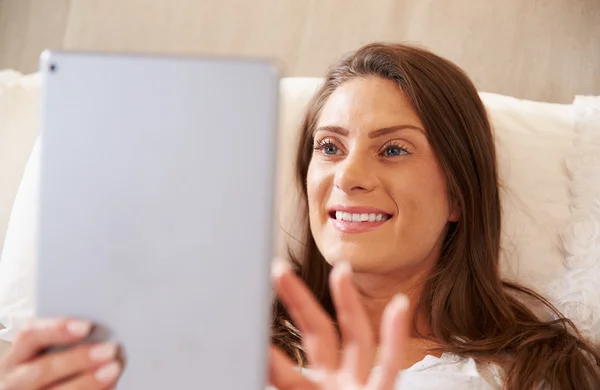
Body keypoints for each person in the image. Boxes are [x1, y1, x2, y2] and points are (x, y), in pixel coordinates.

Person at [0, 42, 598, 389]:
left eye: (393, 149)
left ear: (460, 195)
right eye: (330, 147)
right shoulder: (205, 346)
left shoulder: (541, 372)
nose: (349, 176)